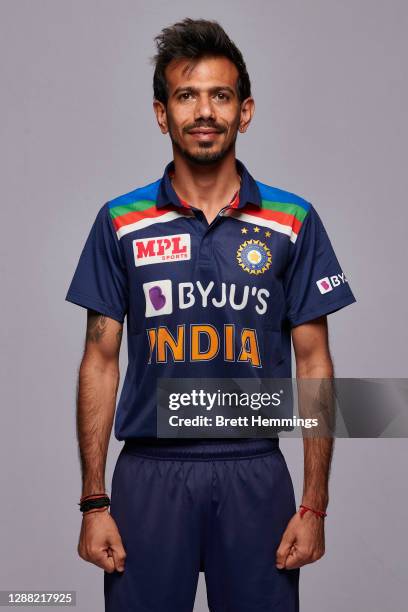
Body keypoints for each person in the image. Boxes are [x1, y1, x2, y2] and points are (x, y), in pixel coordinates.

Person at [65, 17, 356, 612]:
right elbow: (99, 360)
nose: (204, 111)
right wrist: (94, 502)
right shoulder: (120, 220)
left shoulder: (292, 220)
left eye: (220, 96)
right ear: (161, 113)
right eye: (186, 95)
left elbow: (314, 363)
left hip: (254, 471)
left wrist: (314, 503)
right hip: (149, 473)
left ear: (244, 111)